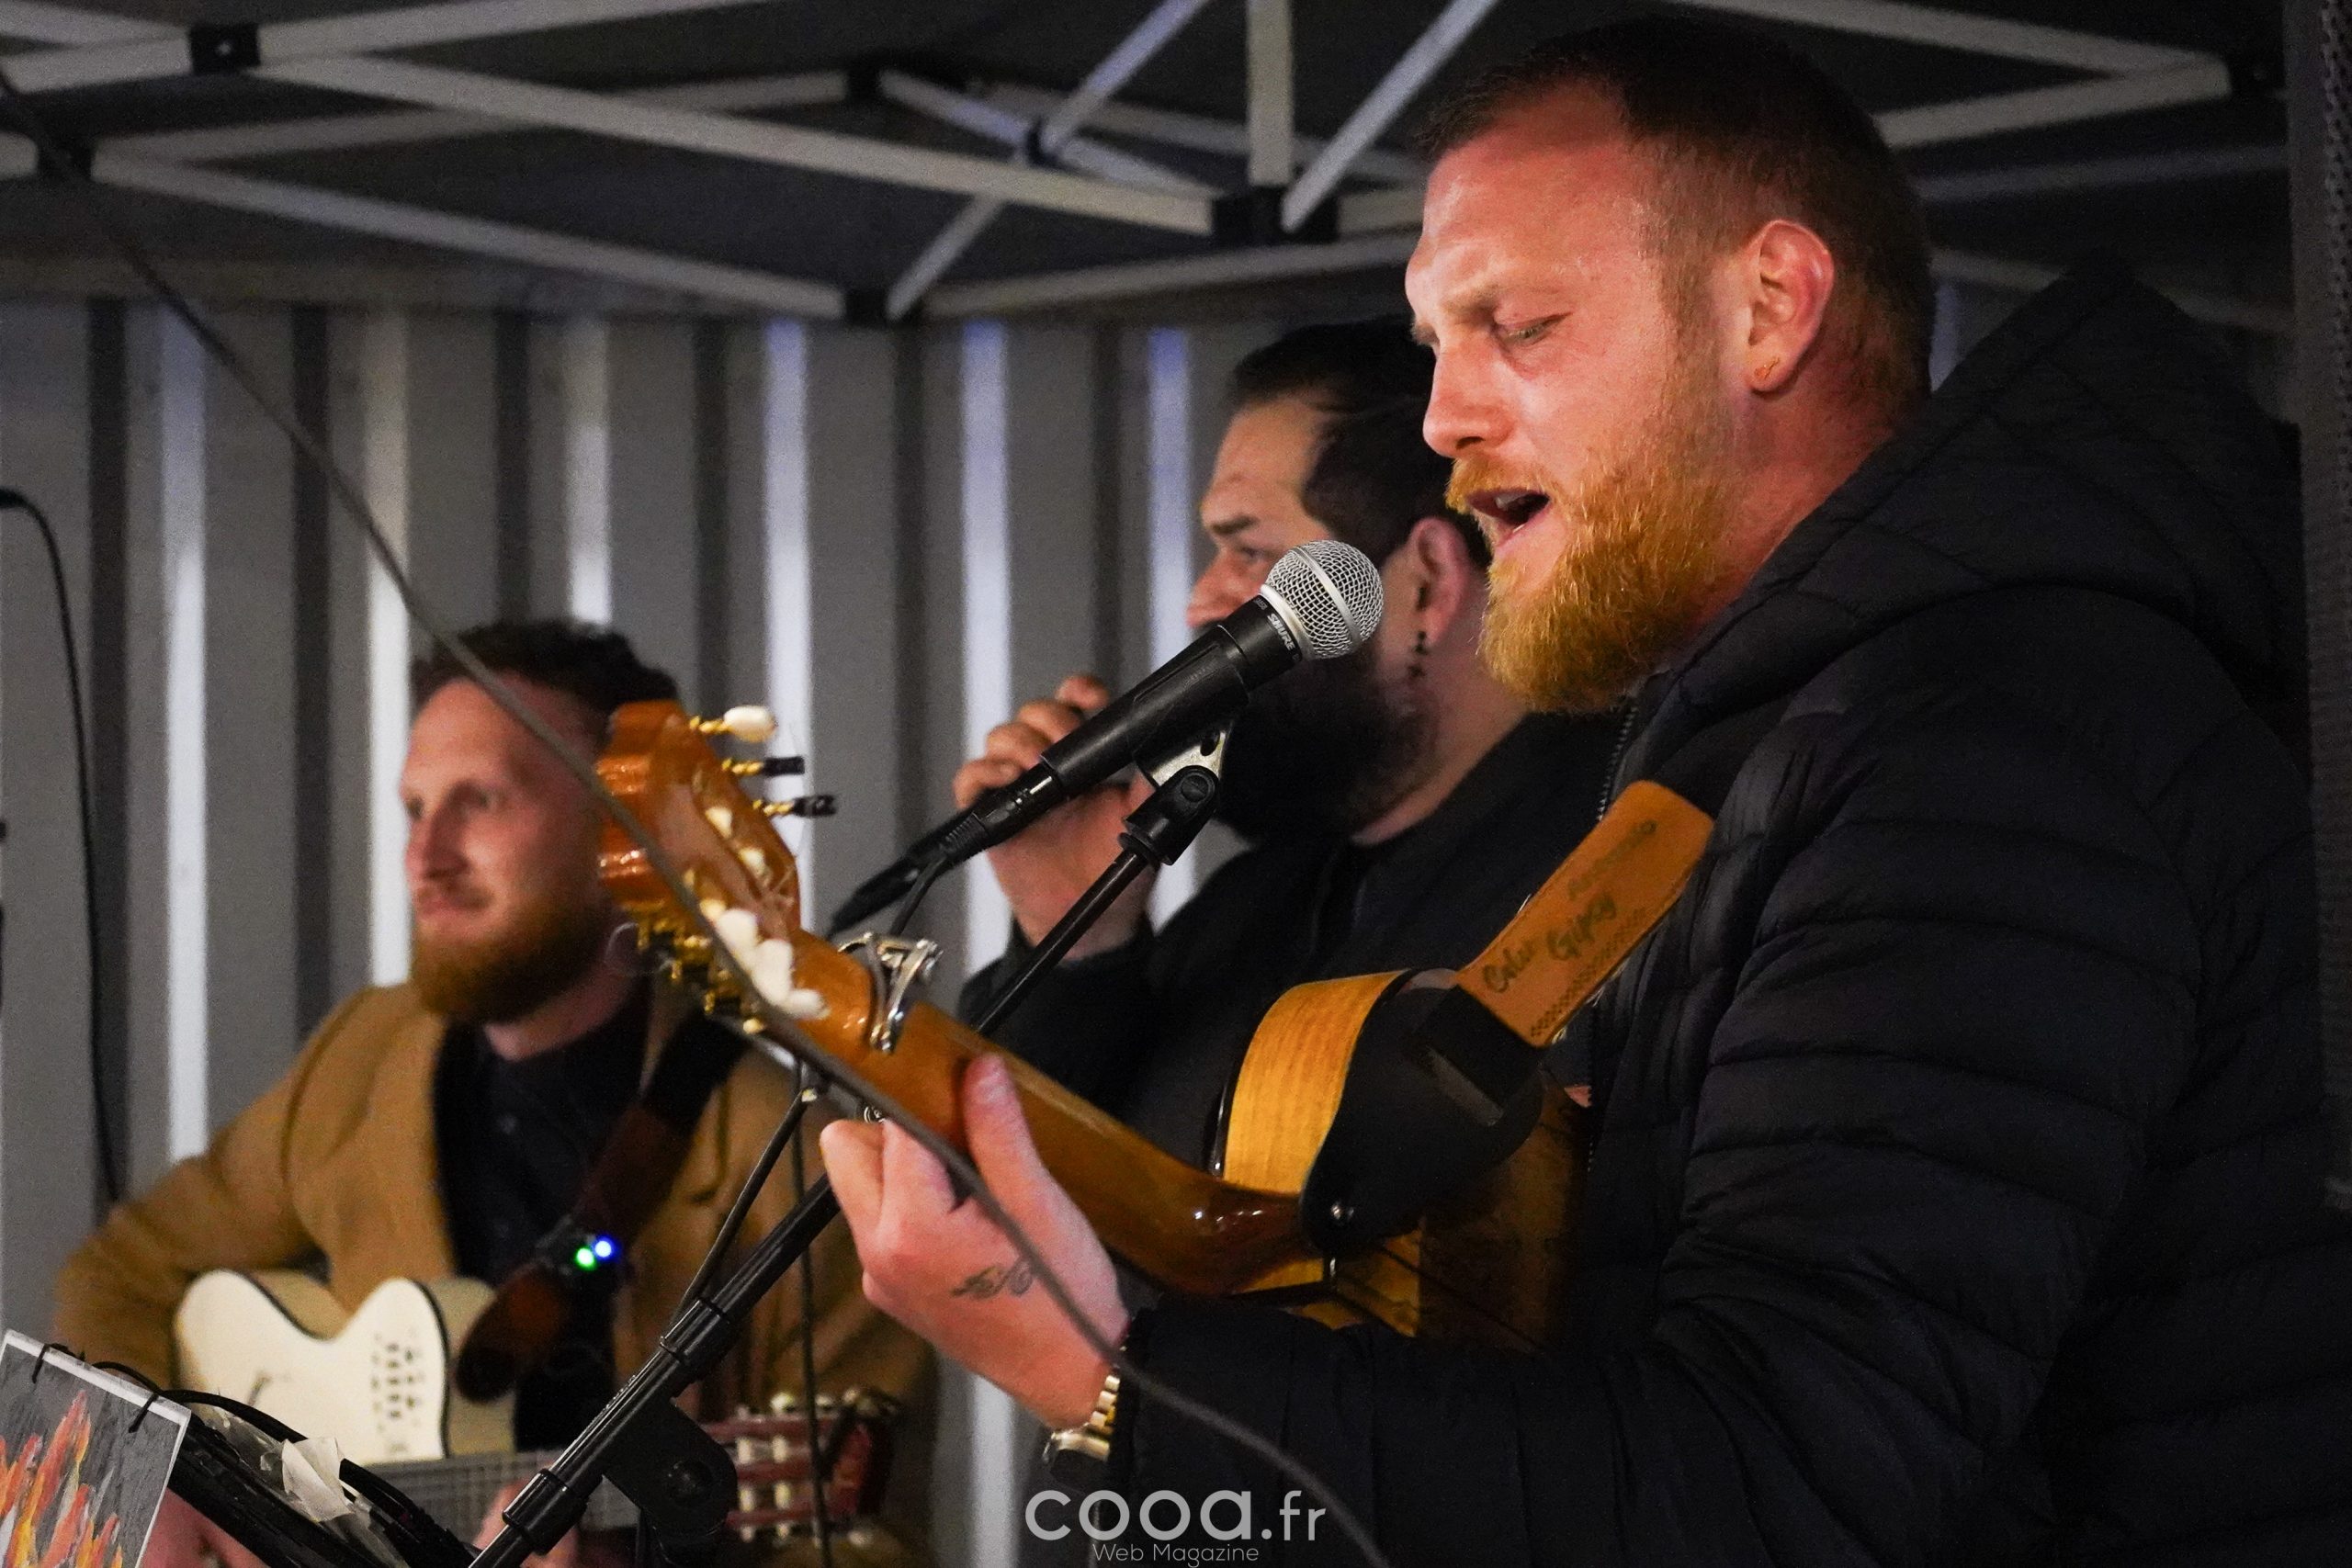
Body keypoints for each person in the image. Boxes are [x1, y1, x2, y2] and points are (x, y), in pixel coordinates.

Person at [821, 17, 2352, 1565]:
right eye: (1439, 343)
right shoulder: (1786, 733)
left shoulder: (1978, 747)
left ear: (1770, 307)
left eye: (1520, 325)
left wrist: (1108, 1373)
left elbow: (1776, 1487)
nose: (1445, 417)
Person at [56, 620, 931, 1566]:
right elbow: (120, 1275)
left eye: (480, 799)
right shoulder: (368, 1054)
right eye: (414, 807)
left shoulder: (799, 1159)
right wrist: (145, 1480)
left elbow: (867, 1547)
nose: (425, 856)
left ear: (627, 834)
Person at [956, 320, 1623, 1167]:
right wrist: (1075, 940)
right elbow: (1021, 1184)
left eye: (1252, 550)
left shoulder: (1614, 870)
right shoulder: (1256, 902)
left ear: (1426, 584)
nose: (1203, 602)